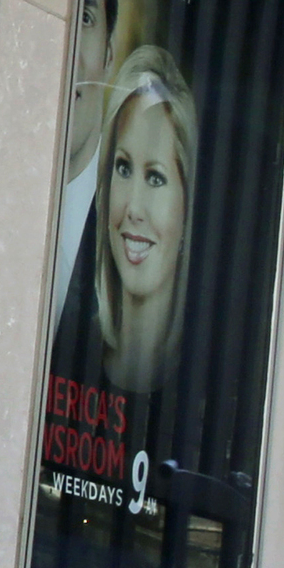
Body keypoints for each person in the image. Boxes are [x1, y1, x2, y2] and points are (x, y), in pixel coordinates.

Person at [89, 47, 196, 395]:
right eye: (123, 168)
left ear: (186, 204)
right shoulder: (67, 351)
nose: (134, 208)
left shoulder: (200, 383)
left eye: (155, 177)